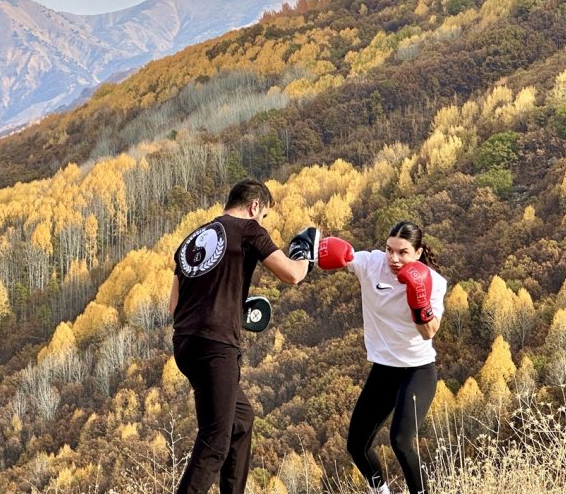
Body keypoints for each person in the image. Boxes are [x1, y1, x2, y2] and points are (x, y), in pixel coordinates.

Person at [168, 178, 317, 494]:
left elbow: (174, 306)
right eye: (264, 216)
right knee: (215, 441)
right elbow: (292, 274)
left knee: (242, 419)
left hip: (185, 345)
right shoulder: (249, 229)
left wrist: (230, 305)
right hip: (216, 347)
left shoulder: (192, 239)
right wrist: (305, 252)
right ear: (255, 207)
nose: (262, 222)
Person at [315, 221, 447, 494]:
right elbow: (333, 255)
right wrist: (308, 247)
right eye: (389, 250)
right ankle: (381, 492)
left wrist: (418, 300)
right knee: (357, 445)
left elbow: (428, 332)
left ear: (418, 253)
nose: (394, 259)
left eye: (403, 252)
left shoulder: (432, 282)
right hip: (384, 369)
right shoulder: (371, 264)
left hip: (417, 370)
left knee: (401, 441)